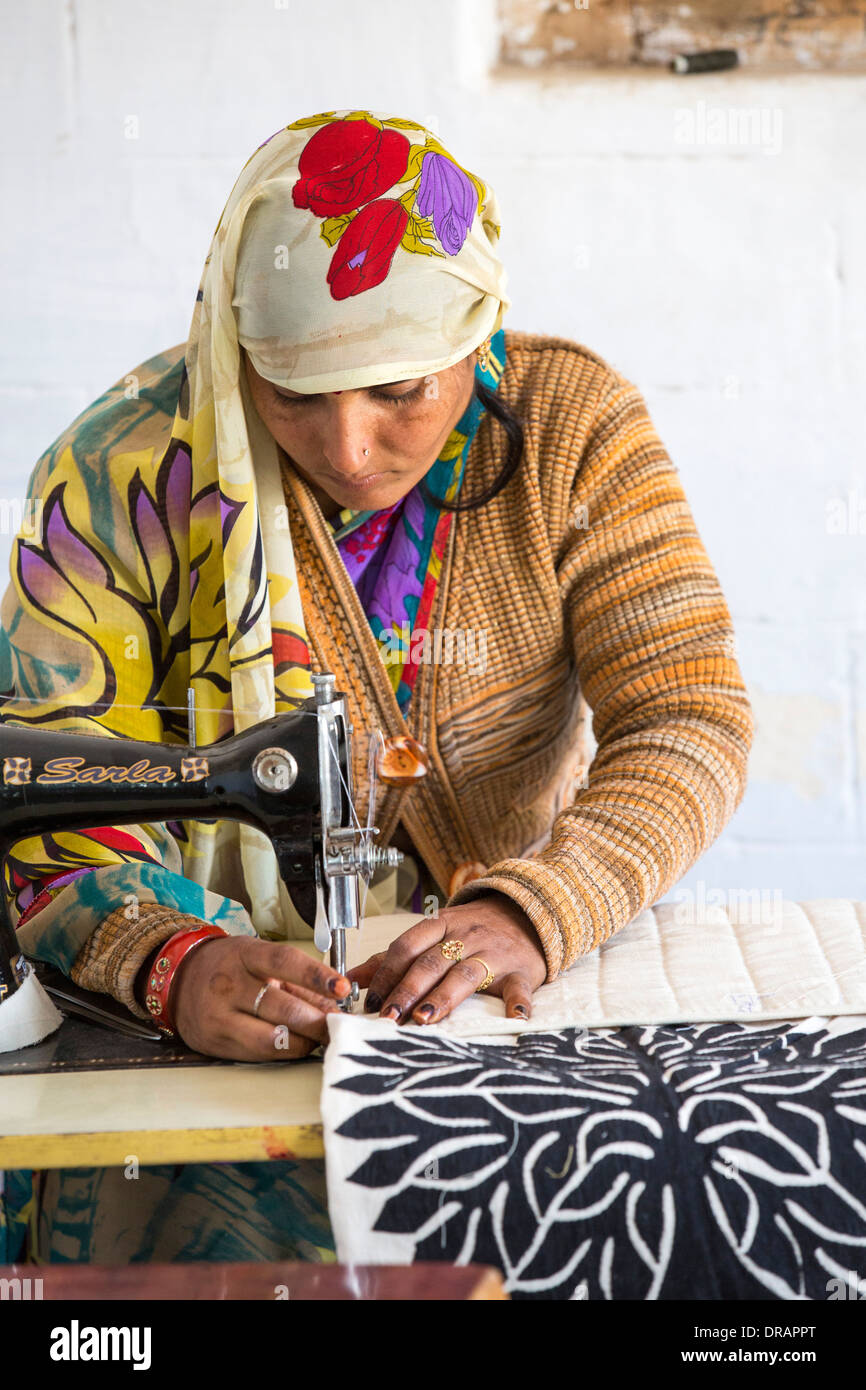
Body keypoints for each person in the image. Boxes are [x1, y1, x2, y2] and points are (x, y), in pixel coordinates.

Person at [0, 109, 753, 1262]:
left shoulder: (573, 431)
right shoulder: (121, 478)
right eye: (293, 393)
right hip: (202, 1045)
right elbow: (39, 774)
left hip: (489, 1025)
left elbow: (685, 711)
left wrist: (533, 907)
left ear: (477, 330)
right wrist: (173, 957)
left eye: (398, 389)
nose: (348, 449)